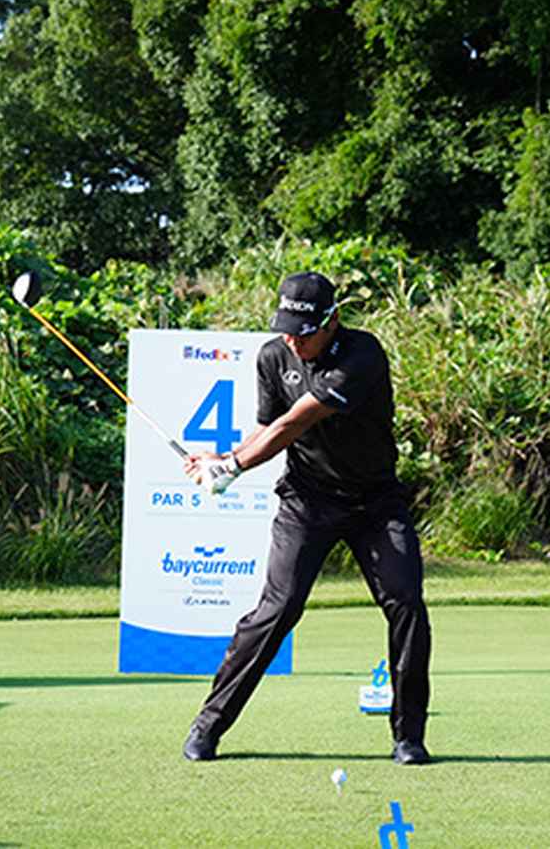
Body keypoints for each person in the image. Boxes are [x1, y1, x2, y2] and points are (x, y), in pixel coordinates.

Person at [182, 271, 432, 766]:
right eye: (286, 330)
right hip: (308, 500)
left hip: (376, 502)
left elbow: (298, 419)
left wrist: (231, 467)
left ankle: (408, 737)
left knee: (405, 602)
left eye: (304, 333)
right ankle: (208, 725)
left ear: (332, 321)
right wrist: (223, 459)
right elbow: (267, 429)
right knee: (278, 609)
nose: (293, 342)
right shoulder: (273, 356)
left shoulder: (362, 354)